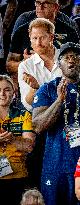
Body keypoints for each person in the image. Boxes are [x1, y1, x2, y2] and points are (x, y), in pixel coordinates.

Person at [32, 42, 80, 205]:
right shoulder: (48, 89)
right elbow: (38, 126)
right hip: (56, 166)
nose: (71, 60)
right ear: (58, 63)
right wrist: (59, 100)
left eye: (75, 56)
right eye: (66, 57)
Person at [6, 0, 79, 83]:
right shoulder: (22, 30)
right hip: (30, 84)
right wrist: (27, 62)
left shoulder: (70, 32)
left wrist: (48, 60)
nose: (40, 7)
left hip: (60, 83)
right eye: (38, 3)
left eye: (45, 3)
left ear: (56, 7)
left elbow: (76, 66)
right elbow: (9, 66)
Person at [0, 75, 36, 205]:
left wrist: (12, 139)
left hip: (18, 176)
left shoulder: (24, 115)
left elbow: (29, 146)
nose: (2, 94)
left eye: (7, 89)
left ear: (14, 93)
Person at [18, 18, 61, 111]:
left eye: (42, 38)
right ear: (30, 38)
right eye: (35, 38)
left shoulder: (69, 58)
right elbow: (27, 104)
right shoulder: (25, 66)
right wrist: (34, 88)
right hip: (40, 116)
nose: (38, 43)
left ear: (51, 37)